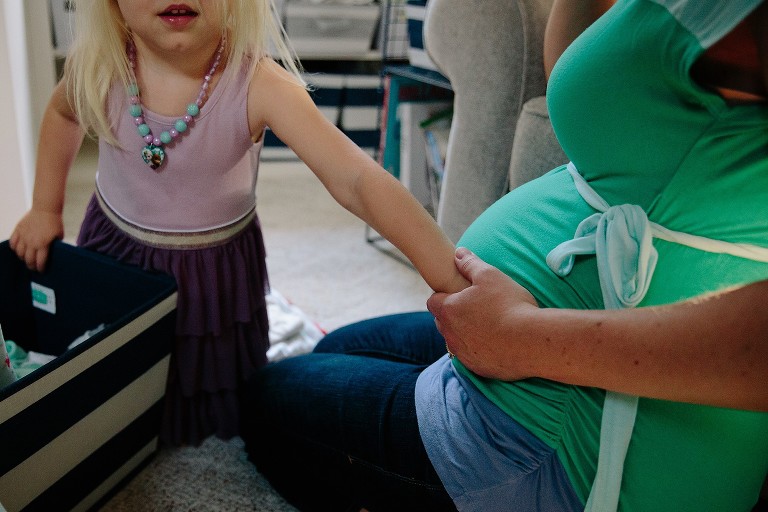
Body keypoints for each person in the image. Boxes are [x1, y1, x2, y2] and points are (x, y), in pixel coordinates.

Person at [241, 0, 768, 510]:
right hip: (542, 326)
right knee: (338, 347)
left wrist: (518, 338)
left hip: (575, 444)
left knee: (266, 402)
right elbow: (586, 84)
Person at [8, 0, 466, 447]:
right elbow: (63, 113)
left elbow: (357, 179)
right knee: (119, 364)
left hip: (212, 271)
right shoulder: (101, 62)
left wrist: (450, 276)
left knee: (207, 374)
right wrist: (45, 207)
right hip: (117, 250)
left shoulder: (258, 83)